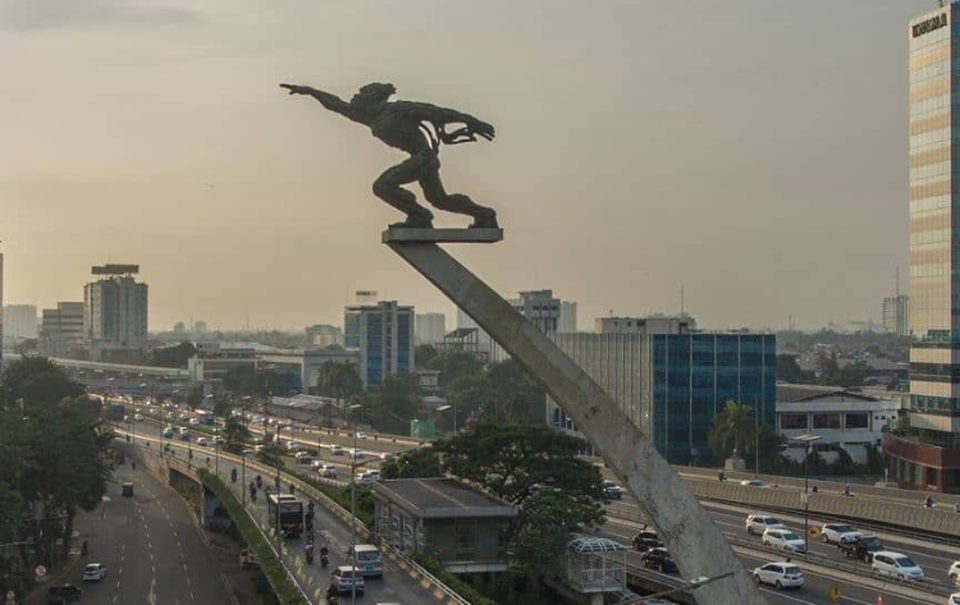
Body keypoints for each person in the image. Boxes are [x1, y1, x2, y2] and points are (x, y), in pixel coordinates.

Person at [280, 82, 499, 229]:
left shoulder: (397, 109)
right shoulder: (370, 118)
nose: (355, 96)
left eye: (361, 93)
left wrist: (472, 121)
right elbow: (337, 105)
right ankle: (484, 215)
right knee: (440, 200)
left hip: (423, 158)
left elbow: (438, 112)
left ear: (374, 98)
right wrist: (311, 91)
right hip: (421, 159)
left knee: (383, 186)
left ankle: (420, 217)